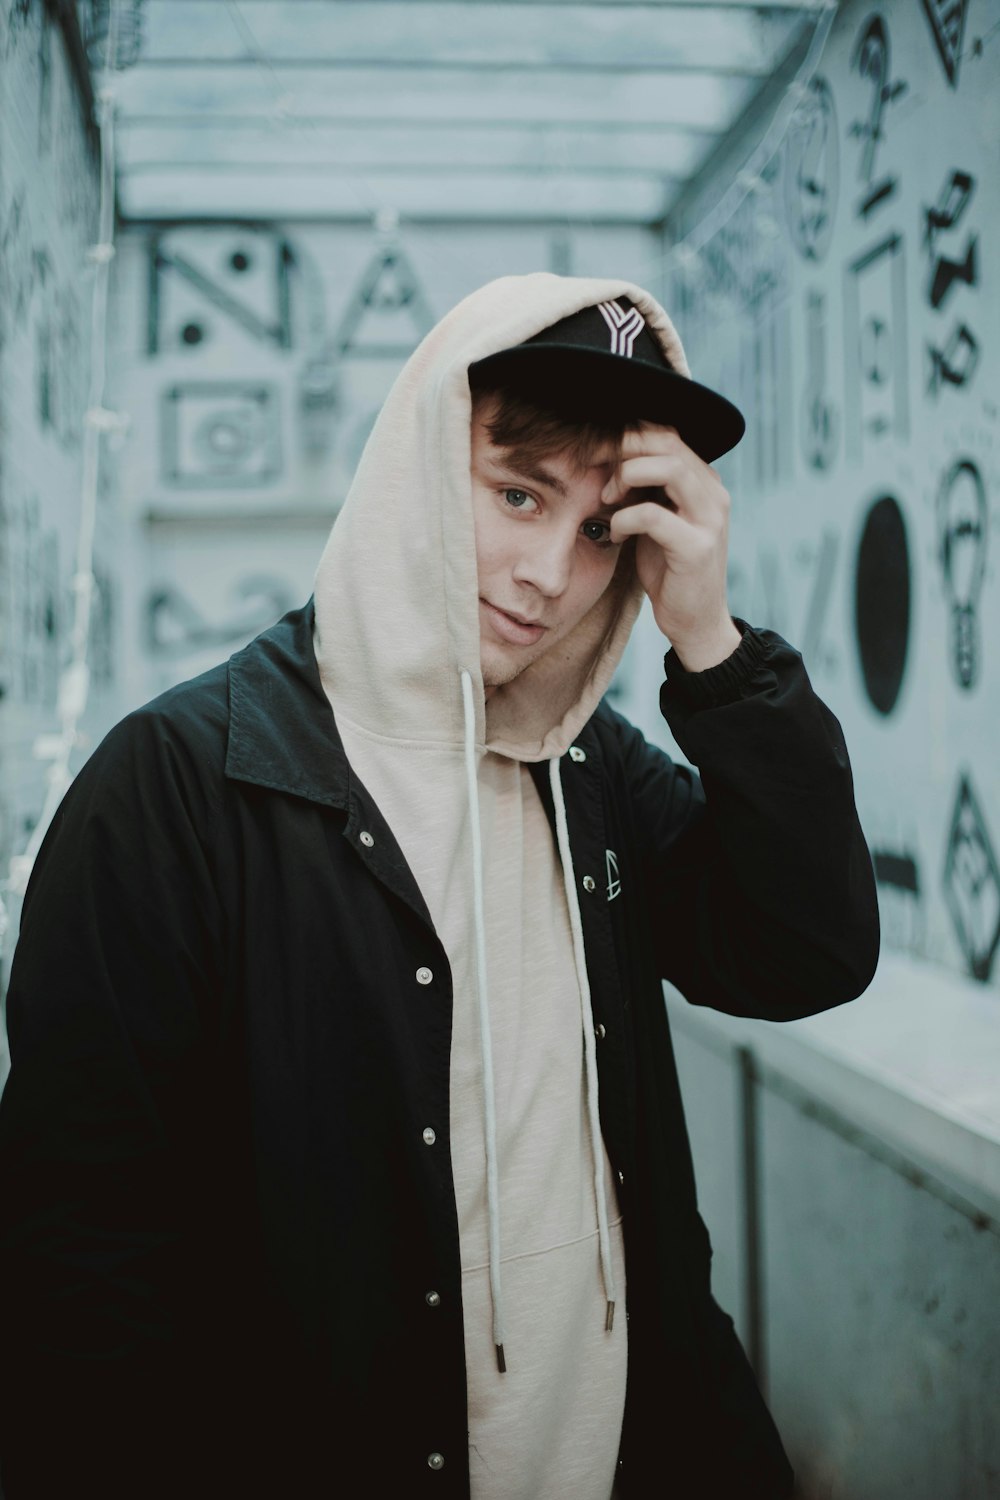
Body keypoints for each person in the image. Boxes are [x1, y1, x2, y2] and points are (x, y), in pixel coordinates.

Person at [0, 273, 879, 1499]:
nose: (546, 576)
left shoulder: (588, 765)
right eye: (515, 495)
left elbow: (803, 954)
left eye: (594, 532)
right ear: (419, 462)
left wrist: (712, 647)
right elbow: (82, 1263)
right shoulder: (181, 784)